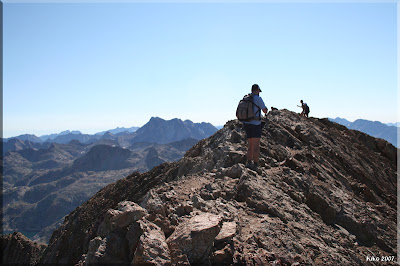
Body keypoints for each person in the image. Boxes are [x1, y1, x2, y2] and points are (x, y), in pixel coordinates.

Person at [242, 84, 268, 170]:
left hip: (246, 124)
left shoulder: (247, 98)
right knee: (256, 145)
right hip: (256, 124)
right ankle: (256, 164)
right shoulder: (258, 98)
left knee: (250, 145)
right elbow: (264, 110)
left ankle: (249, 162)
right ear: (257, 90)